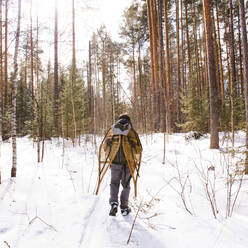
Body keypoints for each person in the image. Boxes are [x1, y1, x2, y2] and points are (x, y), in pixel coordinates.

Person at [97, 114, 142, 216]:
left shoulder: (112, 130)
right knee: (126, 185)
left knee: (114, 183)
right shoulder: (131, 132)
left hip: (115, 162)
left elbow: (105, 146)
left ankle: (113, 204)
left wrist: (111, 155)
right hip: (128, 163)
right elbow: (139, 149)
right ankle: (124, 207)